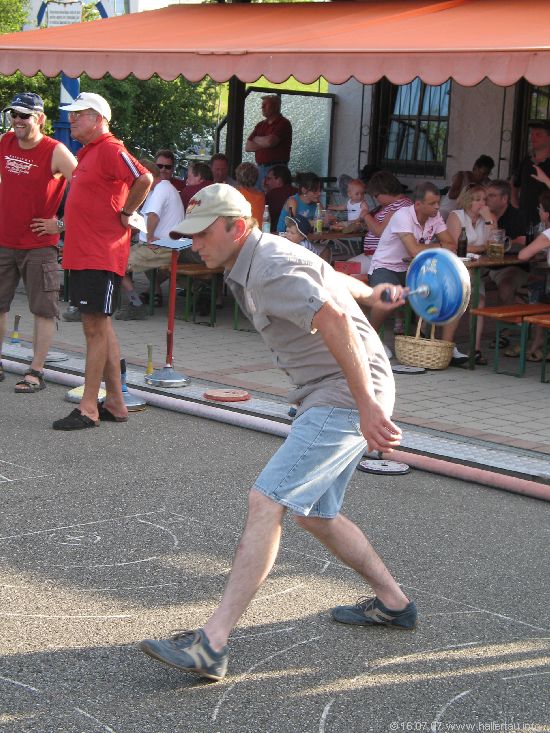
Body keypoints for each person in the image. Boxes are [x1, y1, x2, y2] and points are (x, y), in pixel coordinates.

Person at [139, 183, 416, 682]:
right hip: (335, 389)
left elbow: (335, 320)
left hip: (343, 391)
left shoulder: (269, 267)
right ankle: (394, 603)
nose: (194, 244)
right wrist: (372, 291)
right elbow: (330, 279)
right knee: (315, 514)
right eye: (191, 235)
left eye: (202, 234)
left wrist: (367, 405)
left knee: (267, 500)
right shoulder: (258, 256)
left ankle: (212, 642)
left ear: (236, 227)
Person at [52, 92, 152, 430]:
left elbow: (144, 178)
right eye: (72, 114)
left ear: (98, 119)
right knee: (101, 327)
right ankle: (116, 403)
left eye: (78, 114)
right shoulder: (89, 152)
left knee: (94, 327)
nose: (72, 119)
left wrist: (127, 212)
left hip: (100, 253)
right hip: (86, 253)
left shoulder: (109, 148)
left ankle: (88, 408)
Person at [0, 91, 77, 391]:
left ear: (40, 118)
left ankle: (36, 371)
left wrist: (61, 223)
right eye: (14, 114)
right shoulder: (5, 142)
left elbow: (85, 189)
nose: (17, 120)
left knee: (43, 309)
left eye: (25, 115)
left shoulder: (55, 150)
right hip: (4, 240)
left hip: (39, 245)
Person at [368, 182, 467, 365]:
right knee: (387, 298)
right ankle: (369, 339)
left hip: (415, 269)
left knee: (452, 296)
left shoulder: (435, 216)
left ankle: (445, 346)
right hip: (386, 267)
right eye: (432, 203)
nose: (437, 207)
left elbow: (452, 245)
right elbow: (413, 250)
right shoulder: (402, 215)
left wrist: (433, 246)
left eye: (438, 202)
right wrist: (439, 245)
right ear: (418, 204)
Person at [117, 158, 185, 316]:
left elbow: (153, 215)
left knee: (116, 264)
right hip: (162, 246)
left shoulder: (160, 189)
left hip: (160, 247)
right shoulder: (161, 188)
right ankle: (148, 296)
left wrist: (149, 237)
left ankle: (136, 305)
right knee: (116, 259)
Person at [447, 183, 493, 365]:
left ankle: (475, 349)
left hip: (475, 269)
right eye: (477, 199)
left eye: (484, 199)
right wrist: (482, 247)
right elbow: (458, 245)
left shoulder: (486, 218)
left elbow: (494, 244)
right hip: (456, 268)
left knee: (479, 302)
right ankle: (446, 345)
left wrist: (489, 220)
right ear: (467, 201)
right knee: (459, 302)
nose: (482, 203)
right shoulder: (456, 216)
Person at [347, 171, 412, 276]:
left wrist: (366, 214)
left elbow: (380, 232)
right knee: (343, 268)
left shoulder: (400, 206)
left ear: (384, 191)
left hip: (383, 259)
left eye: (376, 196)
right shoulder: (393, 205)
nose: (376, 199)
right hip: (376, 256)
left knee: (344, 270)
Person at [517, 191, 550, 362]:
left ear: (547, 213)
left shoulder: (548, 234)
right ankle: (537, 343)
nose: (539, 212)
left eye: (540, 209)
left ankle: (536, 342)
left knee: (537, 297)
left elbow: (523, 255)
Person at [245, 94, 292, 189]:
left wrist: (256, 139)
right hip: (260, 168)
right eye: (262, 105)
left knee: (274, 195)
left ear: (275, 107)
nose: (262, 107)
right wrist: (265, 142)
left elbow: (270, 142)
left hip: (277, 171)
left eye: (265, 105)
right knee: (259, 195)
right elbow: (248, 147)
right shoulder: (261, 125)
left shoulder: (283, 123)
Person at [512, 121, 550, 229]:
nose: (533, 138)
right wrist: (515, 203)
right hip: (524, 218)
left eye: (538, 134)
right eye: (531, 134)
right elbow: (515, 182)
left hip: (546, 220)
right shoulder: (527, 160)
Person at [441, 154, 494, 218]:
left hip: (466, 214)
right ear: (475, 168)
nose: (485, 176)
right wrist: (470, 189)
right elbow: (451, 195)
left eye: (488, 174)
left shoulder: (487, 183)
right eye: (483, 173)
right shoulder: (461, 175)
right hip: (448, 210)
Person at [263, 164, 296, 232]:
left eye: (269, 178)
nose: (266, 182)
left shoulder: (272, 194)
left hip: (275, 233)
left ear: (279, 180)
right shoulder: (297, 192)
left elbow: (265, 218)